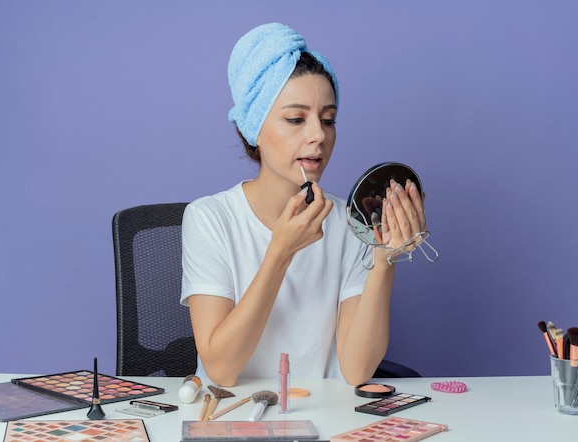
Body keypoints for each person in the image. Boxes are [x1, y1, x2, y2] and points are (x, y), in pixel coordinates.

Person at [180, 23, 426, 387]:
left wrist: (384, 258)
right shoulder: (210, 219)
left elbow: (357, 370)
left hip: (324, 417)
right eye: (296, 119)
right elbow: (221, 369)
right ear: (255, 128)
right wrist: (280, 253)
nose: (318, 136)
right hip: (229, 416)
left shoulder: (350, 224)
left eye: (328, 120)